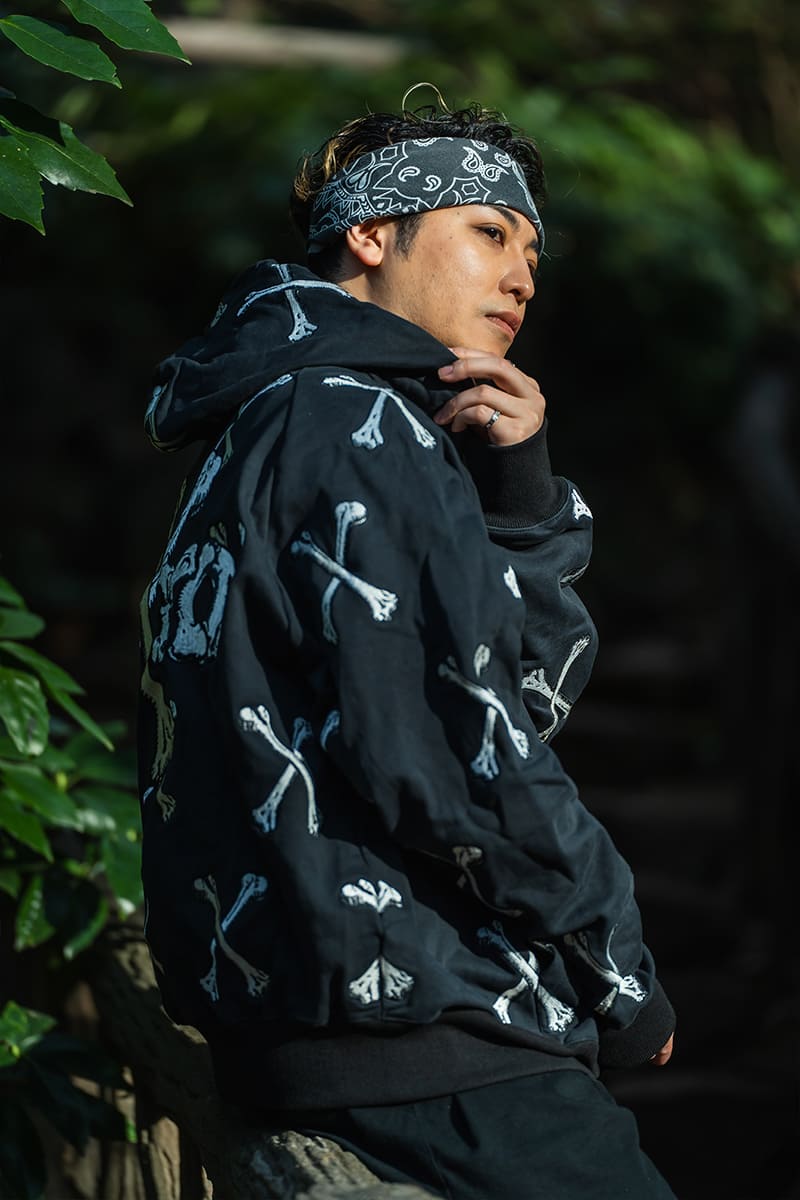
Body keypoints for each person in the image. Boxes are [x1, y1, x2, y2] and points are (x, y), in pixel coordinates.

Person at [138, 92, 677, 1198]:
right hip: (431, 1031)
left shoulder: (269, 418)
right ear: (373, 234)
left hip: (316, 1016)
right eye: (489, 233)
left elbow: (507, 700)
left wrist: (515, 495)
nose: (522, 278)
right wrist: (619, 970)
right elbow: (466, 759)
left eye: (531, 254)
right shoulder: (355, 422)